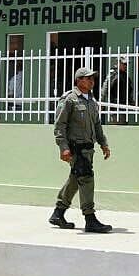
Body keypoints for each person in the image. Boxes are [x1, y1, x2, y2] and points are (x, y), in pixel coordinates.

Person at [50, 67, 113, 233]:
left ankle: (58, 213)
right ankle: (90, 217)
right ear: (78, 80)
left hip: (88, 148)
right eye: (88, 78)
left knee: (75, 179)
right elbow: (59, 125)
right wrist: (63, 148)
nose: (92, 81)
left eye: (93, 78)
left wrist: (103, 143)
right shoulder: (69, 99)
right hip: (76, 148)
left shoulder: (91, 101)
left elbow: (97, 125)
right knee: (86, 179)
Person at [100, 57, 135, 123]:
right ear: (118, 63)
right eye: (124, 64)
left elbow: (129, 89)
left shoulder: (125, 75)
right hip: (115, 107)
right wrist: (102, 102)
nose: (126, 66)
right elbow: (105, 88)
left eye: (127, 64)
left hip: (124, 107)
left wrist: (131, 101)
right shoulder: (113, 74)